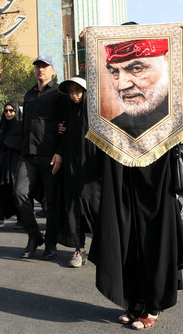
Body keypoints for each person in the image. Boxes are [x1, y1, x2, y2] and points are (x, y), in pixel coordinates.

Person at [87, 24, 183, 330]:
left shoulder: (165, 110)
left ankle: (153, 303)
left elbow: (178, 86)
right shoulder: (115, 117)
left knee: (154, 233)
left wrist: (181, 50)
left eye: (136, 66)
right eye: (116, 71)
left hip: (156, 163)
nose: (124, 82)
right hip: (120, 160)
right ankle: (134, 301)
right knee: (126, 232)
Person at [14, 54, 64, 260]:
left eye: (44, 66)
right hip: (28, 155)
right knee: (19, 193)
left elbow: (66, 125)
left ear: (52, 70)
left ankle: (50, 243)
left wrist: (60, 152)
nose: (40, 70)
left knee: (50, 203)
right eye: (37, 66)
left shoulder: (60, 93)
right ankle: (34, 236)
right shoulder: (29, 95)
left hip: (50, 156)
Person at [56, 76, 101, 268]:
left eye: (78, 91)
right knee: (74, 209)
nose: (74, 95)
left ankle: (103, 249)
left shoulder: (95, 111)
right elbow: (64, 137)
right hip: (72, 167)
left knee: (96, 207)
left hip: (92, 169)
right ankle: (79, 248)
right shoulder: (69, 111)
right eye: (71, 92)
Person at [105, 38, 170, 137]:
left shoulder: (171, 119)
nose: (122, 86)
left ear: (166, 65)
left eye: (136, 69)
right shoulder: (112, 127)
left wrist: (181, 50)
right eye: (115, 72)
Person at [0, 101, 22, 223]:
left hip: (15, 162)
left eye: (11, 110)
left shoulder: (21, 124)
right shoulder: (2, 125)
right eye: (6, 111)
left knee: (16, 189)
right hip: (1, 162)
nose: (8, 113)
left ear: (16, 111)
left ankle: (21, 218)